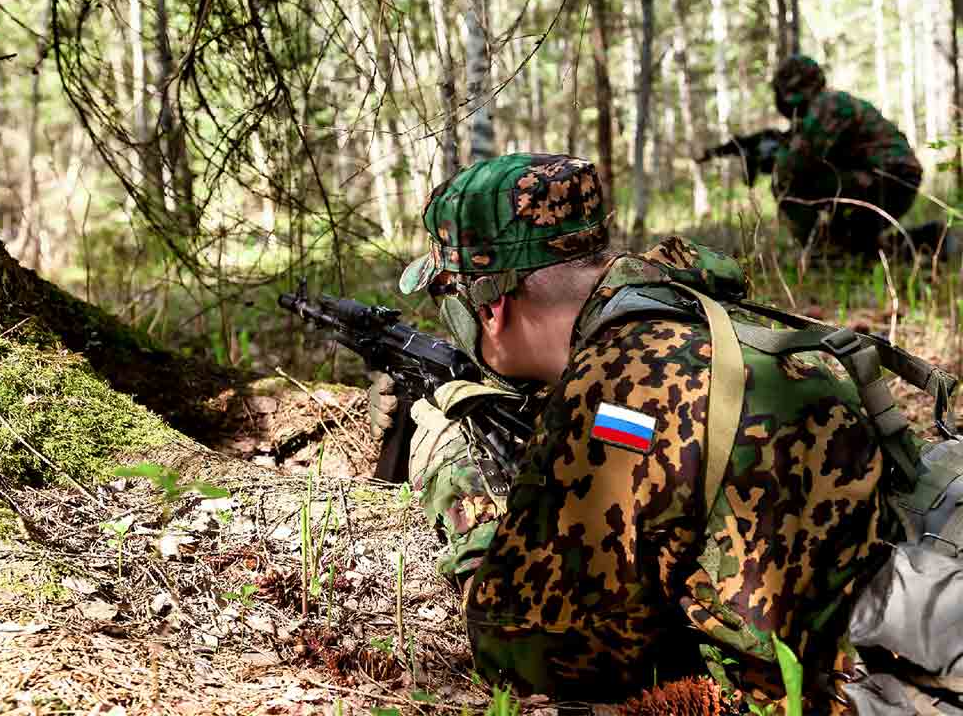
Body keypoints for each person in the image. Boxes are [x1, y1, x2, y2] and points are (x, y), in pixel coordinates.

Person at [375, 153, 907, 712]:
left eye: (447, 300)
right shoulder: (715, 322)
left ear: (490, 307)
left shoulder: (610, 384)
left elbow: (523, 650)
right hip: (895, 647)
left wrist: (458, 481)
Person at [770, 54, 924, 256]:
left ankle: (824, 252)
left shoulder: (827, 104)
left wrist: (772, 157)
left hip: (887, 180)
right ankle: (928, 239)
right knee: (859, 246)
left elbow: (796, 164)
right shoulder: (831, 103)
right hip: (891, 179)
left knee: (785, 184)